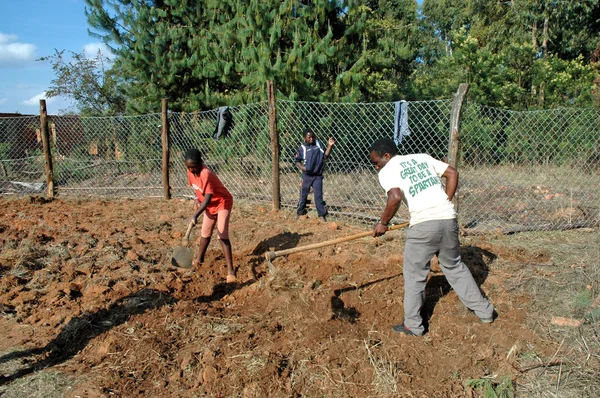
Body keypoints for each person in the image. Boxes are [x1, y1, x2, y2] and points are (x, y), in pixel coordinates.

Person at [369, 138, 494, 336]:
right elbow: (452, 173)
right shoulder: (421, 158)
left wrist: (383, 223)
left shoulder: (388, 170)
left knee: (415, 275)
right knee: (454, 266)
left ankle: (413, 326)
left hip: (423, 226)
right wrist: (444, 202)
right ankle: (485, 312)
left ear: (387, 156)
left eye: (376, 162)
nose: (375, 167)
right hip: (448, 219)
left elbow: (395, 197)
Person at [184, 148, 236, 283]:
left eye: (194, 166)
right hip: (209, 205)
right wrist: (197, 199)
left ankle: (230, 270)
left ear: (200, 162)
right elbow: (198, 190)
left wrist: (195, 214)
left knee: (222, 234)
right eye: (189, 167)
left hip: (222, 202)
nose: (192, 170)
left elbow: (207, 197)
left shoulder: (206, 173)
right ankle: (199, 260)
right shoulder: (190, 172)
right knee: (205, 233)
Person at [295, 128, 335, 222]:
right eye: (309, 137)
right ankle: (299, 212)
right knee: (303, 194)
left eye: (313, 136)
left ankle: (321, 215)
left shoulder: (318, 144)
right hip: (307, 176)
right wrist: (303, 168)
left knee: (318, 196)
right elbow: (297, 161)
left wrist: (330, 146)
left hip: (317, 176)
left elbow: (325, 156)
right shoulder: (302, 148)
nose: (311, 139)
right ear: (304, 138)